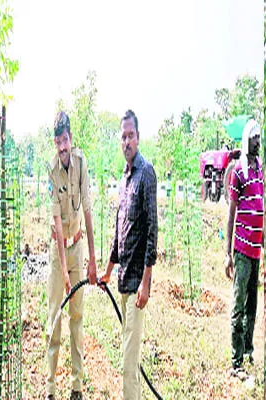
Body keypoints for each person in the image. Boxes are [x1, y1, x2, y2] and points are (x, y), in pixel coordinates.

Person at [100, 110, 157, 400]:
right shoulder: (124, 180)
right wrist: (108, 271)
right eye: (122, 137)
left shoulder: (146, 172)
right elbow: (118, 233)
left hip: (137, 285)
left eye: (130, 135)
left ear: (138, 136)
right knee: (129, 358)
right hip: (122, 282)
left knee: (128, 364)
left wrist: (147, 282)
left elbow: (151, 230)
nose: (126, 142)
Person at [46, 111, 97, 400]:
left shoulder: (81, 162)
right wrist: (64, 272)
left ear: (71, 138)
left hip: (77, 250)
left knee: (77, 317)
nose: (62, 147)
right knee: (55, 316)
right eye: (57, 142)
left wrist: (91, 258)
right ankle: (51, 386)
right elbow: (56, 221)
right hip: (58, 254)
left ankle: (77, 385)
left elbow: (87, 210)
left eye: (65, 140)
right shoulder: (52, 169)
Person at [224, 119, 263, 379]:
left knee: (252, 305)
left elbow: (261, 208)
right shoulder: (239, 172)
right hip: (241, 250)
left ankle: (248, 350)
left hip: (257, 250)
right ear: (247, 141)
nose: (259, 142)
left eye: (260, 138)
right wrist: (227, 253)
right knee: (239, 306)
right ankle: (235, 361)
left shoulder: (259, 169)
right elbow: (231, 213)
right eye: (255, 138)